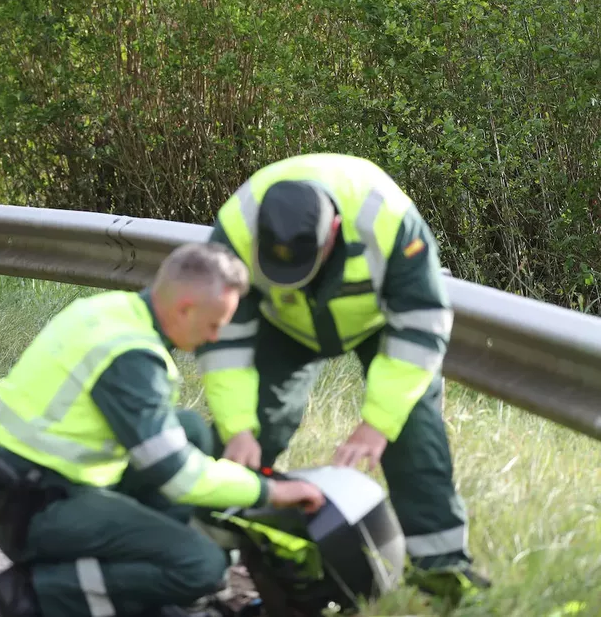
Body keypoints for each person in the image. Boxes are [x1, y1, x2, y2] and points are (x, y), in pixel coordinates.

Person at [0, 242, 326, 617]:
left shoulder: (111, 310)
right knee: (200, 566)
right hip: (31, 506)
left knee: (188, 430)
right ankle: (37, 595)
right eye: (214, 325)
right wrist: (271, 492)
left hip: (17, 479)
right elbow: (179, 477)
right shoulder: (130, 358)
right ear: (185, 308)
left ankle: (150, 577)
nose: (216, 337)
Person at [194, 152, 491, 603]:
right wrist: (238, 427)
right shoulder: (236, 226)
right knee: (252, 431)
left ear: (332, 233)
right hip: (284, 323)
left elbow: (422, 323)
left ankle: (445, 571)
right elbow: (226, 336)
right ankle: (210, 562)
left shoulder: (388, 220)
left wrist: (377, 424)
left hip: (378, 322)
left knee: (413, 433)